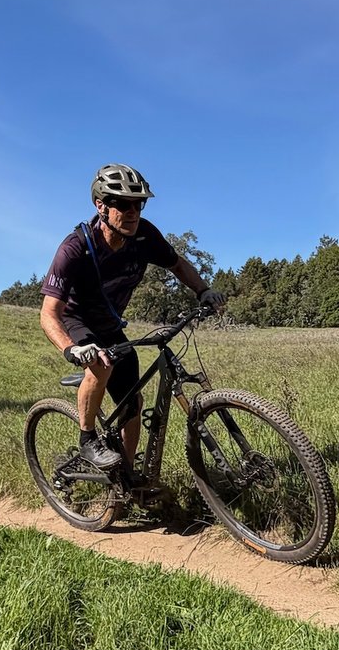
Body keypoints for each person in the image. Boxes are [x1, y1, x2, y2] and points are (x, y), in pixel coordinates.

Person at [39, 163, 225, 478]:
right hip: (76, 321)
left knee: (132, 406)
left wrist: (203, 291)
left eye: (139, 204)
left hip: (111, 327)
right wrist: (71, 349)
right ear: (101, 206)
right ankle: (87, 439)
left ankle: (126, 476)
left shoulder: (144, 236)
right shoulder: (75, 249)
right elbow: (48, 313)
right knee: (100, 364)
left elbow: (177, 264)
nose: (133, 212)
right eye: (123, 204)